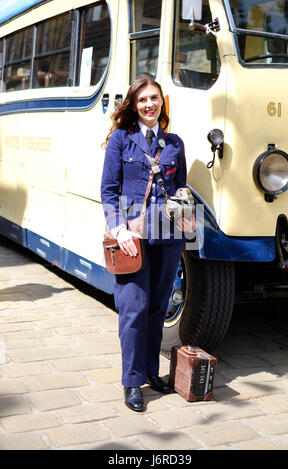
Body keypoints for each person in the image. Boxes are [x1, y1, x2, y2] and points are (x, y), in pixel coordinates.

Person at [101, 75, 195, 412]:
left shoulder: (174, 144)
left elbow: (181, 187)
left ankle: (152, 374)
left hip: (167, 236)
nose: (149, 104)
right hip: (132, 239)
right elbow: (108, 191)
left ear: (162, 102)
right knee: (133, 310)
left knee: (157, 306)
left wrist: (186, 219)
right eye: (142, 100)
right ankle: (131, 381)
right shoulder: (121, 141)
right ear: (134, 105)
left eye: (154, 98)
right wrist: (119, 229)